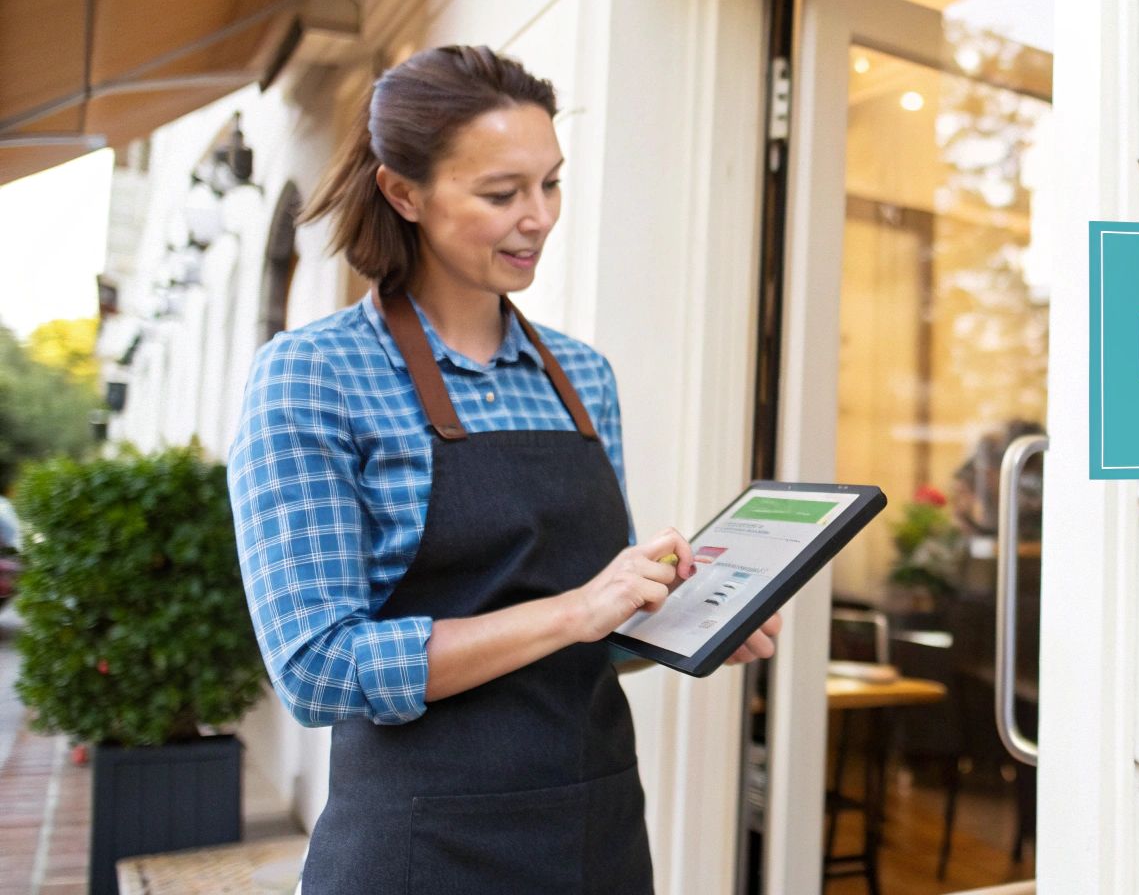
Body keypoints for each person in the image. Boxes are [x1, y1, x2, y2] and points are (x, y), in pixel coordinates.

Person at [226, 45, 781, 895]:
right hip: (421, 849)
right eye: (501, 193)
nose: (539, 217)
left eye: (550, 183)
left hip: (595, 832)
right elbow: (317, 669)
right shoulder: (315, 374)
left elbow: (595, 634)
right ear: (403, 193)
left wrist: (684, 622)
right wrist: (575, 611)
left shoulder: (583, 375)